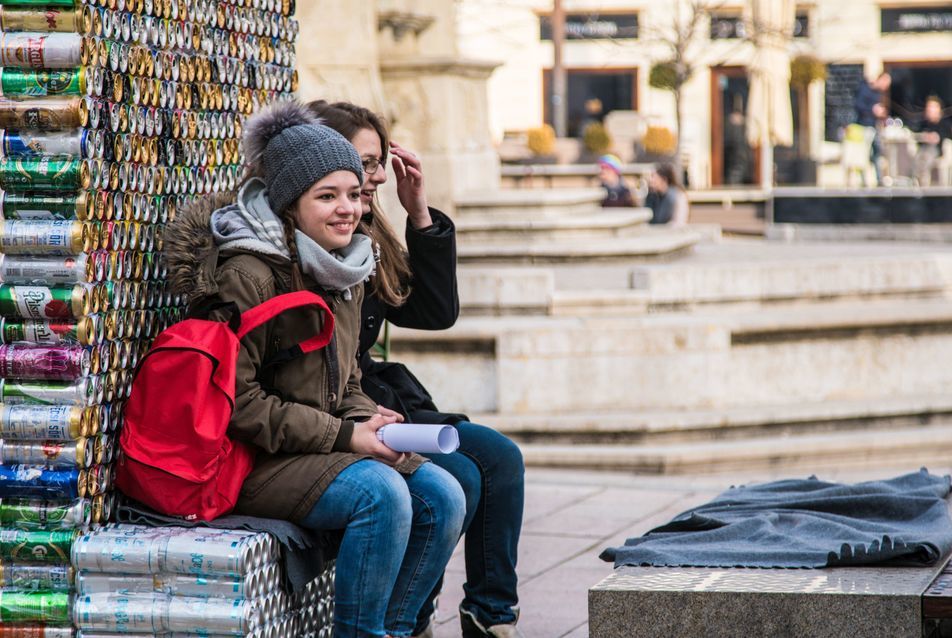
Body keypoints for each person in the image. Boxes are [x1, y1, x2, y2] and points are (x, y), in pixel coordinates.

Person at [165, 100, 466, 638]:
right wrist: (348, 435)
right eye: (326, 196)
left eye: (353, 193)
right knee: (381, 492)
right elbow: (239, 403)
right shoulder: (250, 277)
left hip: (314, 449)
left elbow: (345, 380)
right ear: (288, 206)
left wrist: (370, 419)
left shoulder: (344, 265)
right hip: (248, 462)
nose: (347, 208)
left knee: (444, 494)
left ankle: (393, 631)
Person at [309, 100, 526, 638]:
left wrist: (419, 212)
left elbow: (433, 312)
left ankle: (489, 615)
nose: (379, 174)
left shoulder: (369, 228)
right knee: (459, 478)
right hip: (345, 401)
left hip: (376, 392)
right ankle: (414, 620)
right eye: (367, 161)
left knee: (500, 458)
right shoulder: (320, 234)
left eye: (382, 159)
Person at [853, 72, 891, 186]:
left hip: (873, 127)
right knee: (864, 154)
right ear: (880, 79)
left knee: (877, 152)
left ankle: (879, 179)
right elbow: (858, 105)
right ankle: (863, 180)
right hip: (863, 127)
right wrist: (872, 110)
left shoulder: (878, 94)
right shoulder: (865, 89)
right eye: (886, 83)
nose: (886, 87)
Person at [914, 96, 952, 186]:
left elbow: (945, 138)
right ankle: (917, 182)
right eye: (929, 107)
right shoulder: (924, 124)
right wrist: (924, 137)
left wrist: (935, 138)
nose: (931, 110)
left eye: (933, 107)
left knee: (927, 156)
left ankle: (923, 182)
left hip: (938, 151)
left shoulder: (944, 124)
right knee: (919, 158)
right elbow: (917, 136)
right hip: (923, 149)